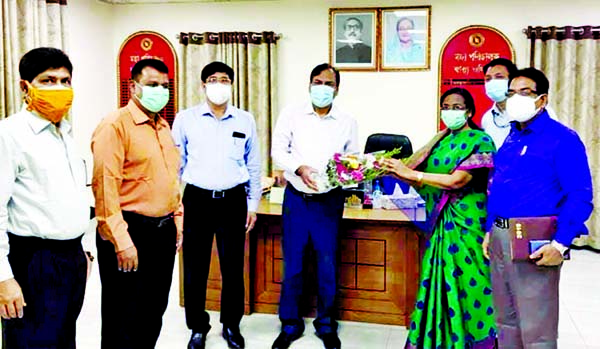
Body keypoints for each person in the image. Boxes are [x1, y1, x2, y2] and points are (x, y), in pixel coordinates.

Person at [482, 68, 593, 349]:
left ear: (541, 100)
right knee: (505, 321)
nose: (515, 98)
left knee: (537, 328)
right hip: (499, 236)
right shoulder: (511, 137)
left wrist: (560, 244)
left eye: (524, 92)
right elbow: (499, 188)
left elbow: (579, 195)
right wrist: (489, 230)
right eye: (511, 93)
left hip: (536, 241)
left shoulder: (562, 139)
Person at [382, 88, 497, 349]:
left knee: (472, 284)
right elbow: (413, 171)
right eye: (446, 106)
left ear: (469, 111)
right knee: (438, 281)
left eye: (457, 107)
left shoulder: (481, 140)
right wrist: (383, 168)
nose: (450, 111)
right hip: (441, 224)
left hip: (467, 223)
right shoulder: (440, 141)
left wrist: (413, 176)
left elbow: (458, 181)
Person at [0, 47, 90, 349]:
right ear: (25, 87)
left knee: (64, 338)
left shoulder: (63, 132)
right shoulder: (9, 134)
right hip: (33, 260)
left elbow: (68, 198)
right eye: (48, 81)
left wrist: (82, 252)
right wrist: (3, 278)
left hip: (70, 257)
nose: (60, 88)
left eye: (65, 81)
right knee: (32, 341)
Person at [91, 58, 183, 349]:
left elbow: (170, 179)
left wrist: (177, 219)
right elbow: (105, 188)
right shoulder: (115, 126)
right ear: (133, 87)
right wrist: (122, 242)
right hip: (130, 233)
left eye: (165, 86)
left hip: (163, 232)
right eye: (152, 85)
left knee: (152, 311)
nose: (160, 91)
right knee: (123, 317)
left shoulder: (163, 125)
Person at [171, 61, 262, 349]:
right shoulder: (186, 119)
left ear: (231, 85)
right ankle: (198, 326)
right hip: (196, 200)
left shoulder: (245, 120)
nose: (218, 84)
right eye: (212, 79)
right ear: (202, 85)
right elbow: (175, 166)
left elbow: (254, 164)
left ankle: (231, 325)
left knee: (233, 268)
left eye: (224, 79)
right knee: (195, 268)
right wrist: (176, 207)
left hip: (233, 200)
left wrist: (253, 204)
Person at [270, 63, 358, 349]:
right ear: (309, 85)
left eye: (328, 84)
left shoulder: (346, 120)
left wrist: (352, 171)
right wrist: (299, 168)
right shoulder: (291, 114)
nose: (322, 88)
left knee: (327, 265)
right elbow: (278, 151)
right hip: (297, 200)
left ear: (337, 89)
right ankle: (290, 324)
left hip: (329, 202)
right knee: (293, 265)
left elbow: (353, 158)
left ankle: (326, 325)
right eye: (317, 82)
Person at [481, 58, 518, 148]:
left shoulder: (533, 110)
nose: (492, 82)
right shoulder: (487, 118)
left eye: (499, 77)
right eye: (488, 79)